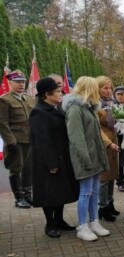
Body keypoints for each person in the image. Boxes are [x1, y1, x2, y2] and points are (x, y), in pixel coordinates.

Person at [29, 77, 79, 238]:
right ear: (46, 94)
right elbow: (42, 141)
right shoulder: (39, 112)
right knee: (49, 194)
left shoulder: (56, 109)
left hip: (62, 157)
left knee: (61, 192)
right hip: (48, 161)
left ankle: (59, 220)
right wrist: (51, 163)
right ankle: (49, 224)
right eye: (57, 91)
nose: (61, 93)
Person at [63, 76, 110, 241]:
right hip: (85, 158)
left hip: (94, 156)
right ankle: (82, 226)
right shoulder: (75, 109)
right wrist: (86, 159)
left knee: (94, 191)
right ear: (89, 89)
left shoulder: (88, 107)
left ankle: (94, 222)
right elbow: (76, 137)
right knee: (85, 193)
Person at [0, 70, 35, 208]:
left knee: (29, 168)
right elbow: (2, 122)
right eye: (18, 82)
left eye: (23, 82)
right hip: (16, 141)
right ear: (10, 83)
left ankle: (28, 194)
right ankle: (19, 197)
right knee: (16, 168)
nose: (21, 84)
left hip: (30, 139)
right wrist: (10, 141)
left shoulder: (30, 99)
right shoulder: (4, 100)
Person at [96, 76, 121, 222]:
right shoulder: (95, 104)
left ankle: (110, 202)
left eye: (110, 87)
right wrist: (107, 143)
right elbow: (97, 128)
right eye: (105, 88)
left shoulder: (110, 103)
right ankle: (102, 207)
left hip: (113, 140)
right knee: (104, 177)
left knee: (112, 175)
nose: (108, 90)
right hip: (104, 142)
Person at [114, 85, 124, 193]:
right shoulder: (112, 107)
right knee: (118, 158)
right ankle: (120, 182)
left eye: (122, 94)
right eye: (118, 94)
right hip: (117, 136)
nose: (120, 96)